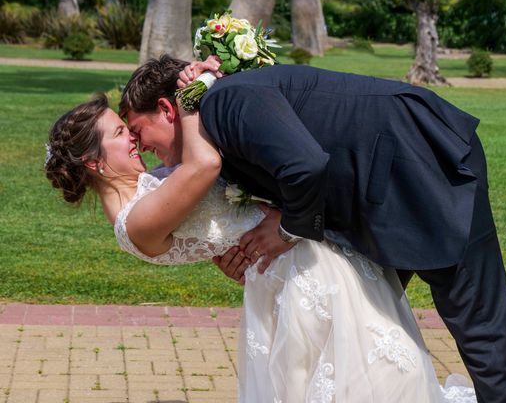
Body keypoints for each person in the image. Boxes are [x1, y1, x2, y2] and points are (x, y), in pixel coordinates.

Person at [120, 55, 506, 402]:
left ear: (166, 108)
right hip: (374, 204)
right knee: (372, 339)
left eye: (140, 133)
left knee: (482, 326)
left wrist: (285, 231)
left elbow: (304, 164)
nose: (145, 149)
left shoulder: (225, 102)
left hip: (422, 165)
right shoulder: (215, 128)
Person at [45, 93, 477, 402]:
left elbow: (206, 224)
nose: (133, 139)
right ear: (93, 162)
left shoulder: (144, 190)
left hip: (291, 262)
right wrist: (193, 92)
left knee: (362, 373)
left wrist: (225, 249)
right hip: (297, 268)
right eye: (121, 133)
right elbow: (206, 164)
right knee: (363, 377)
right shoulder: (135, 220)